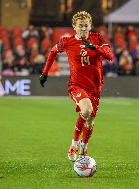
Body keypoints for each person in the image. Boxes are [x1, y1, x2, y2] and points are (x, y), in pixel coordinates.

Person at [39, 11, 113, 161]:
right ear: (74, 27)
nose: (84, 29)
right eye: (80, 26)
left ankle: (83, 147)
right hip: (76, 85)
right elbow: (53, 52)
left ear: (90, 26)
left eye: (86, 26)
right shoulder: (67, 42)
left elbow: (110, 56)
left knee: (90, 121)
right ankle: (73, 144)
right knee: (86, 110)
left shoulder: (97, 38)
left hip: (95, 87)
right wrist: (45, 73)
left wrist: (95, 48)